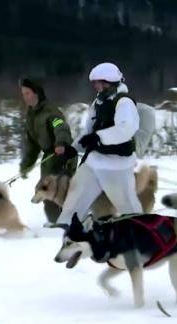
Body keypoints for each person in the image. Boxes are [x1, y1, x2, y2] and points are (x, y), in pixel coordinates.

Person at [55, 62, 143, 225]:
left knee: (129, 209)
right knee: (74, 199)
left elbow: (126, 129)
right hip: (94, 163)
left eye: (97, 83)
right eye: (94, 83)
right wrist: (74, 148)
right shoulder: (98, 102)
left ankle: (142, 233)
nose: (95, 86)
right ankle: (64, 227)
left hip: (117, 165)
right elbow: (88, 132)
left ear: (108, 82)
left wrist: (99, 137)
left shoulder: (124, 102)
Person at [19, 78, 78, 224]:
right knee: (47, 195)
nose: (25, 96)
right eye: (23, 93)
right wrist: (26, 165)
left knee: (63, 192)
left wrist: (61, 143)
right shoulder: (31, 115)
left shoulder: (51, 111)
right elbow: (31, 144)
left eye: (27, 93)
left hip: (63, 154)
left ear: (36, 93)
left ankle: (69, 223)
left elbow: (60, 126)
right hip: (48, 158)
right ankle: (56, 225)